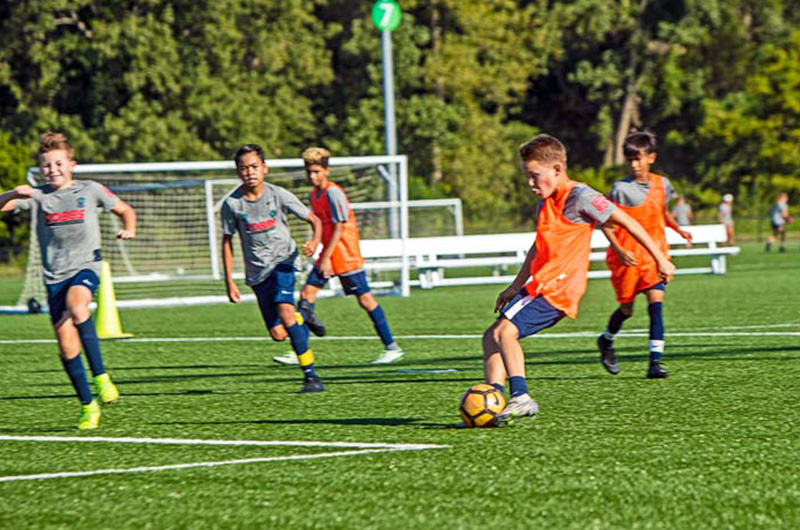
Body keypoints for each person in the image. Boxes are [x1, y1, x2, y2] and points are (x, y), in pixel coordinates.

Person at [483, 134, 675, 423]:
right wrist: (515, 286)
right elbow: (538, 247)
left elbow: (626, 220)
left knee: (503, 333)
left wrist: (660, 258)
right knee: (491, 337)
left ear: (557, 170)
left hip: (557, 288)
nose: (531, 184)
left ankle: (520, 397)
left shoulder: (581, 196)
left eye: (535, 177)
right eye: (527, 177)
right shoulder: (546, 202)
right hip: (539, 285)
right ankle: (493, 402)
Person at [0, 132, 136, 429]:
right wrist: (12, 193)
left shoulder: (90, 190)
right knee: (66, 347)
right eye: (47, 166)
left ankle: (101, 377)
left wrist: (129, 227)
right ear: (41, 169)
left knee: (78, 305)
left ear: (71, 164)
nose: (53, 170)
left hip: (86, 267)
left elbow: (125, 209)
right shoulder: (38, 196)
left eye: (58, 163)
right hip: (54, 278)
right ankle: (89, 405)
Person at [273, 147, 403, 365]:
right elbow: (322, 226)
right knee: (306, 295)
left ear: (327, 170)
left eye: (316, 171)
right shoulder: (314, 194)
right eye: (309, 171)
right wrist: (316, 244)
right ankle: (300, 351)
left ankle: (391, 347)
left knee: (365, 300)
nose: (312, 176)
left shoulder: (333, 192)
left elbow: (340, 227)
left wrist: (325, 258)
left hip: (346, 255)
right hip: (329, 255)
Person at [221, 144, 325, 393]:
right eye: (244, 168)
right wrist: (229, 281)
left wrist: (314, 240)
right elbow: (226, 241)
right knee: (278, 333)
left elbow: (314, 220)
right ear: (238, 172)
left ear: (264, 168)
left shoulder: (279, 195)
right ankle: (304, 315)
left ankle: (311, 377)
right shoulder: (232, 204)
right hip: (258, 273)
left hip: (284, 261)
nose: (250, 172)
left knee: (286, 313)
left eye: (254, 167)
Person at [597, 131, 692, 379]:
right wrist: (618, 248)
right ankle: (606, 340)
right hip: (627, 256)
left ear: (651, 158)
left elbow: (661, 212)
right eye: (629, 159)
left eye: (638, 158)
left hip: (655, 254)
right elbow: (605, 222)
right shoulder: (619, 189)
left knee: (656, 305)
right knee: (626, 310)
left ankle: (655, 362)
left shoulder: (663, 184)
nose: (634, 164)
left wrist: (679, 230)